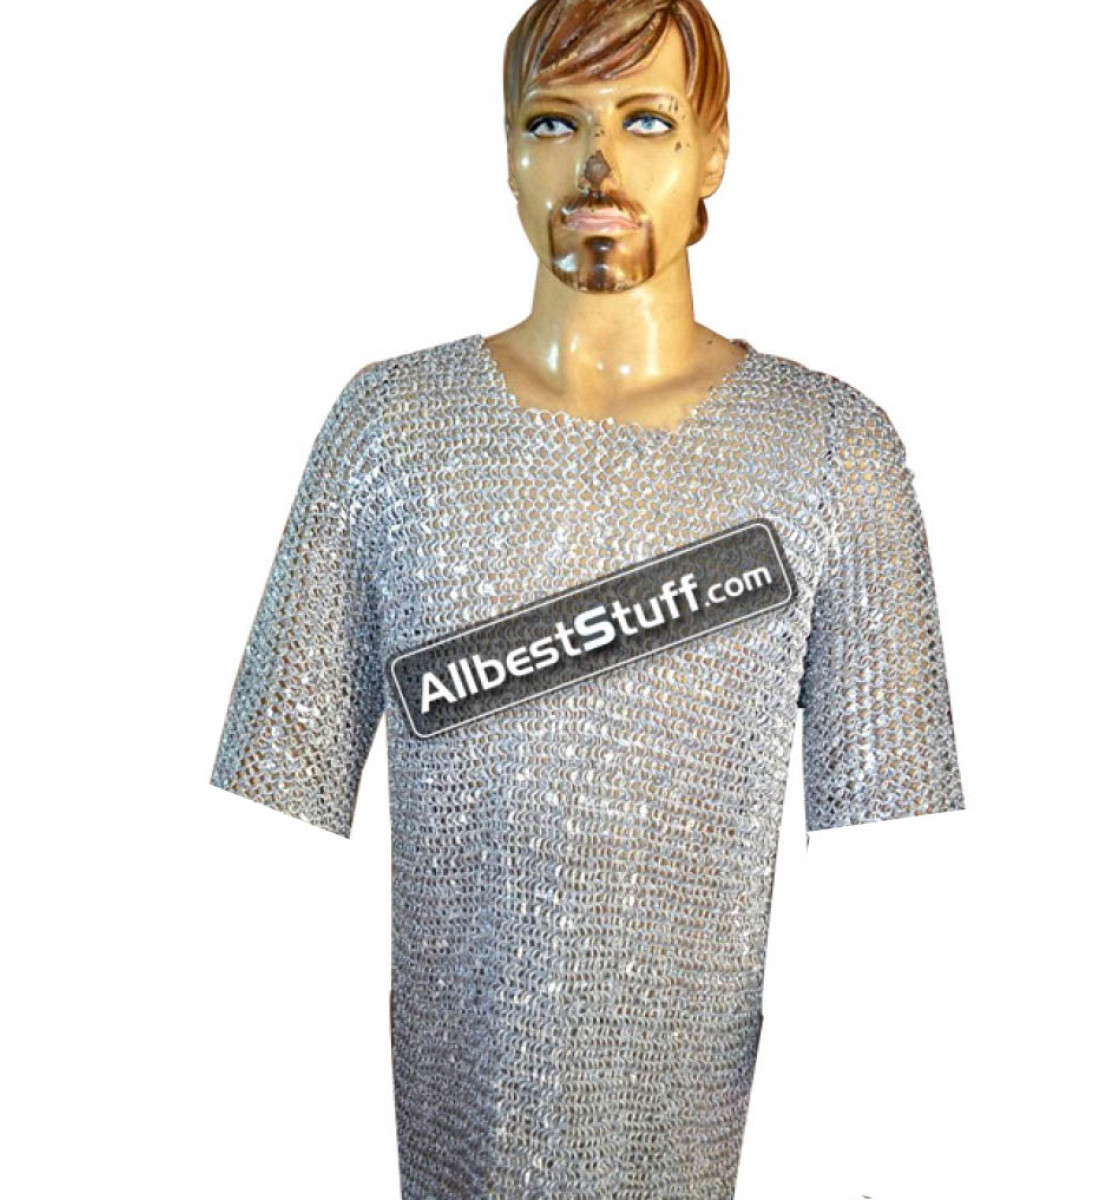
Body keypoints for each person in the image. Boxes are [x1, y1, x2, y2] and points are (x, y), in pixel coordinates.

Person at [210, 2, 966, 1197]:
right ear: (510, 153)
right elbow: (259, 838)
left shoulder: (831, 453)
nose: (597, 163)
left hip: (685, 1137)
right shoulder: (393, 434)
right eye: (555, 122)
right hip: (459, 1140)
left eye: (647, 120)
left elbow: (904, 880)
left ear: (713, 150)